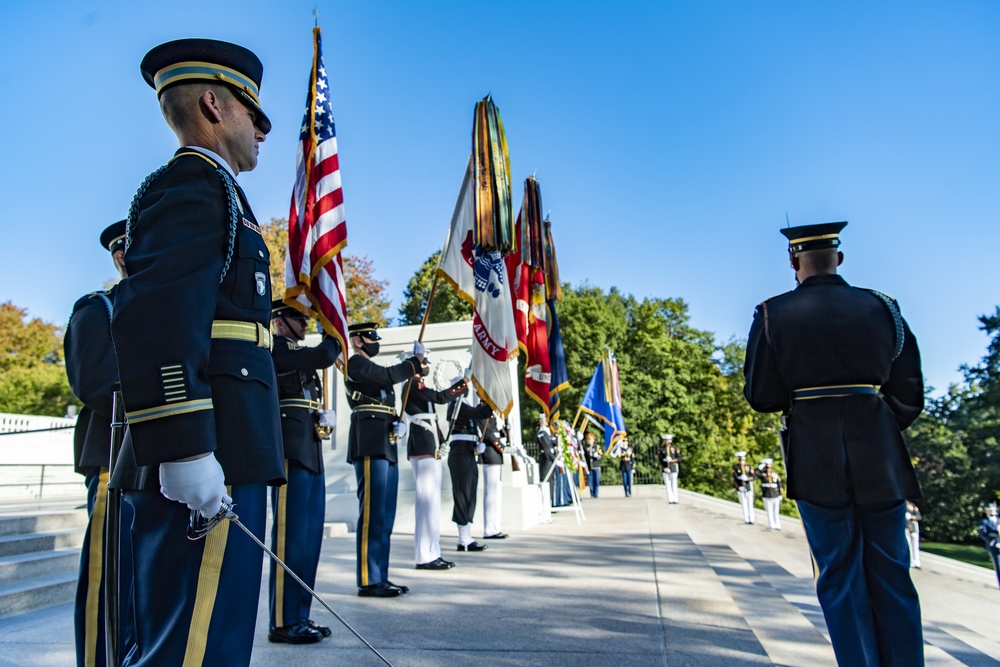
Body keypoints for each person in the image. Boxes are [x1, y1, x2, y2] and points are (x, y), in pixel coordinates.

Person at [110, 39, 283, 666]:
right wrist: (185, 445)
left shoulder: (223, 192)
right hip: (213, 446)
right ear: (213, 103)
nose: (263, 129)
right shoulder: (192, 182)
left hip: (234, 442)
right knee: (189, 648)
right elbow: (159, 316)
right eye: (252, 111)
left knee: (216, 640)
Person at [744, 220, 925, 666]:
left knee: (839, 576)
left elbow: (761, 396)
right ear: (838, 258)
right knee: (892, 574)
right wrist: (875, 421)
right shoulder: (884, 308)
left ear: (793, 261)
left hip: (815, 454)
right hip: (880, 454)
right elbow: (910, 392)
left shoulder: (772, 312)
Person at [64, 220, 135, 667]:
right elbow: (93, 382)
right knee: (106, 581)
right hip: (114, 456)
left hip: (161, 460)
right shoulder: (99, 309)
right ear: (121, 255)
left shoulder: (167, 309)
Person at [267, 301, 340, 644]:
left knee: (309, 540)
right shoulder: (276, 348)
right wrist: (333, 331)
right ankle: (282, 620)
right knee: (290, 538)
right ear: (279, 322)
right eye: (299, 317)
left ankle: (300, 614)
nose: (306, 322)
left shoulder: (295, 351)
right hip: (290, 450)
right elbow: (321, 356)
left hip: (310, 447)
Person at [345, 323, 423, 598]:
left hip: (385, 441)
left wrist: (396, 422)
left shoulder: (368, 367)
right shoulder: (355, 363)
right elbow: (389, 375)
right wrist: (413, 362)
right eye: (370, 336)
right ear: (357, 341)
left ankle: (381, 576)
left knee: (385, 516)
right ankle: (368, 579)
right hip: (368, 440)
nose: (375, 341)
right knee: (371, 515)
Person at [402, 363, 468, 570]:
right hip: (422, 446)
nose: (426, 365)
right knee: (426, 503)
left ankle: (432, 552)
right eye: (422, 362)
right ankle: (425, 555)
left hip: (430, 445)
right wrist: (463, 383)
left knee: (432, 503)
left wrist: (440, 442)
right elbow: (441, 398)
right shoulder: (412, 384)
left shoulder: (419, 384)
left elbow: (432, 415)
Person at [447, 382, 493, 551]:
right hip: (460, 455)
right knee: (462, 495)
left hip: (467, 453)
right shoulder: (456, 405)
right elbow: (480, 413)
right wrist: (490, 400)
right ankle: (463, 539)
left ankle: (466, 537)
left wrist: (476, 445)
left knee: (469, 495)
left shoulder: (463, 405)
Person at [480, 415, 508, 539]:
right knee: (491, 494)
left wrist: (504, 431)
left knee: (496, 494)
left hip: (495, 456)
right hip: (490, 455)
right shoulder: (483, 414)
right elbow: (488, 433)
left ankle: (495, 527)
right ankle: (490, 529)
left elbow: (495, 431)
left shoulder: (492, 415)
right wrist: (501, 446)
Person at [536, 414, 558, 507]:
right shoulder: (542, 433)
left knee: (551, 482)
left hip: (549, 460)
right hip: (546, 460)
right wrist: (553, 458)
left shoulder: (546, 433)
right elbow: (546, 449)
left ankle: (550, 502)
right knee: (547, 481)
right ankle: (547, 504)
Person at [757, 459, 783, 530]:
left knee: (776, 511)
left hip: (775, 495)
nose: (768, 469)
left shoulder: (774, 474)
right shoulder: (762, 474)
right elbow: (755, 473)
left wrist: (780, 494)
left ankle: (777, 524)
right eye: (767, 467)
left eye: (769, 467)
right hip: (767, 495)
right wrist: (760, 468)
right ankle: (772, 524)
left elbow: (779, 485)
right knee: (769, 511)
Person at [979, 503, 1000, 589]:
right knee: (998, 565)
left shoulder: (998, 519)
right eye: (989, 509)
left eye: (992, 509)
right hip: (994, 546)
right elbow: (983, 533)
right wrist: (992, 541)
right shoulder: (984, 521)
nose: (991, 511)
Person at [732, 452, 755, 524]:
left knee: (750, 504)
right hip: (741, 487)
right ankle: (746, 519)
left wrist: (747, 478)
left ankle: (751, 519)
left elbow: (753, 477)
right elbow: (735, 477)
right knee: (744, 504)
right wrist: (738, 484)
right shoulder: (736, 467)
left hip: (748, 487)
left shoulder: (748, 466)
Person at [584, 432, 603, 498]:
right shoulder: (585, 447)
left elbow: (601, 455)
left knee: (596, 480)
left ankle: (596, 493)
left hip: (596, 466)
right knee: (590, 481)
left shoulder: (597, 447)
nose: (589, 441)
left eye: (590, 439)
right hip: (589, 466)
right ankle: (592, 493)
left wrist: (597, 456)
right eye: (588, 439)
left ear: (593, 440)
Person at [664, 435, 681, 504]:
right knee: (668, 484)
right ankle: (670, 499)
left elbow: (679, 458)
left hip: (673, 468)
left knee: (674, 483)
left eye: (669, 440)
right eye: (666, 440)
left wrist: (672, 460)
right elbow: (660, 459)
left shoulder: (674, 448)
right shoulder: (662, 449)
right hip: (665, 468)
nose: (668, 442)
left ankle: (675, 499)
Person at [905, 500, 922, 569]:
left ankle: (917, 562)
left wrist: (911, 517)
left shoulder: (912, 506)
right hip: (906, 528)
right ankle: (911, 561)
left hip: (914, 527)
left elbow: (919, 517)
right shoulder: (902, 506)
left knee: (915, 546)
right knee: (908, 546)